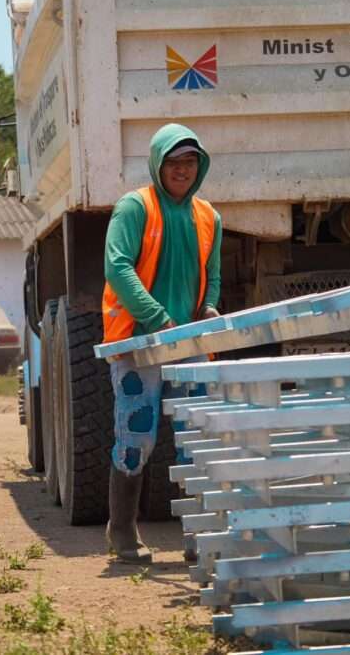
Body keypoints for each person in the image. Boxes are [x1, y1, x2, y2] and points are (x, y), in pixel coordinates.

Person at [101, 123, 222, 564]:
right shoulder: (134, 208)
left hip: (188, 341)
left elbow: (213, 275)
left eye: (190, 162)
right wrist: (157, 318)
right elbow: (118, 267)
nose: (182, 170)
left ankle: (199, 536)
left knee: (197, 439)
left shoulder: (209, 216)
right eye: (174, 162)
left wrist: (208, 306)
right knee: (137, 437)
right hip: (139, 343)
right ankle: (122, 530)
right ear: (158, 164)